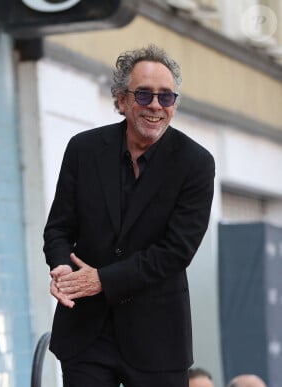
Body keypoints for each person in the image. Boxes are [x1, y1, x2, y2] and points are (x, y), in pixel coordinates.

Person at [43, 44, 215, 387]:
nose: (155, 105)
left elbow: (176, 251)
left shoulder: (196, 164)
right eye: (144, 95)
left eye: (166, 97)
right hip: (85, 335)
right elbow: (59, 228)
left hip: (158, 338)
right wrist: (61, 266)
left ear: (175, 105)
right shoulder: (83, 149)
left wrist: (102, 280)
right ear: (121, 100)